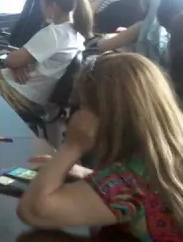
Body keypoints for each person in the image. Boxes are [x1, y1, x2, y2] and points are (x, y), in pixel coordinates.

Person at [17, 54, 183, 240]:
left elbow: (33, 210)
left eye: (81, 106)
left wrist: (71, 147)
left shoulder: (131, 181)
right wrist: (89, 174)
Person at [0, 0, 92, 117]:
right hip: (28, 94)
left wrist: (17, 63)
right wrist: (20, 64)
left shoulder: (54, 33)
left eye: (41, 0)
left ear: (53, 6)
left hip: (16, 94)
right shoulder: (74, 33)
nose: (40, 5)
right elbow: (26, 59)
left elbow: (11, 60)